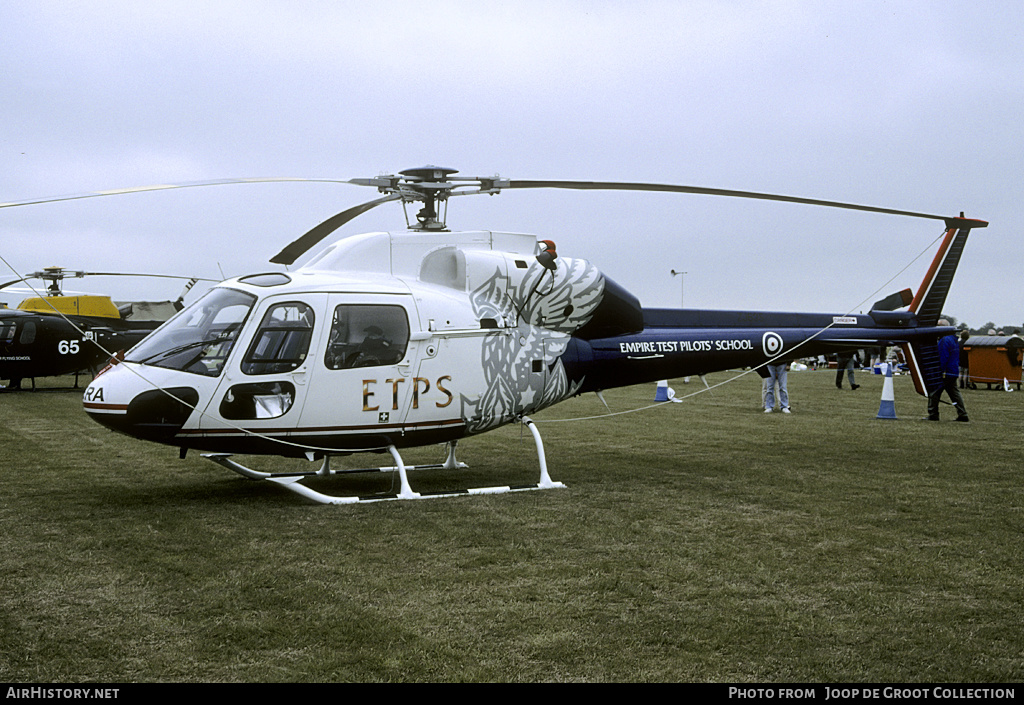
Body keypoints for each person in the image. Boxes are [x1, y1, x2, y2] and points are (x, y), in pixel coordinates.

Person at [926, 320, 969, 422]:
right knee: (954, 393)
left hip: (945, 371)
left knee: (934, 392)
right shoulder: (953, 340)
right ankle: (962, 414)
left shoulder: (944, 340)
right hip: (953, 370)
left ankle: (933, 414)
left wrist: (939, 370)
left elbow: (943, 357)